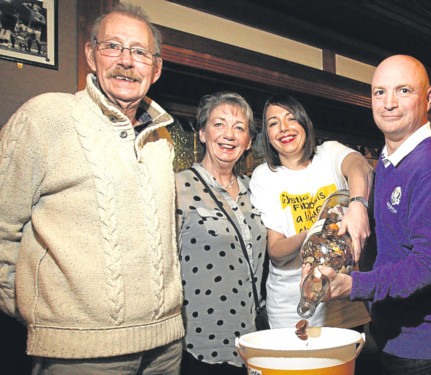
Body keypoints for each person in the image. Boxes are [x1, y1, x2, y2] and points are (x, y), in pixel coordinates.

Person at [0, 4, 184, 374]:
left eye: (140, 52)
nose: (127, 61)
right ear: (90, 54)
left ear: (157, 67)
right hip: (78, 351)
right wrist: (27, 307)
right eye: (112, 46)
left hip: (166, 347)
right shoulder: (45, 117)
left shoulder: (162, 139)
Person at [317, 55, 431, 375]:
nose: (389, 103)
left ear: (428, 99)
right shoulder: (389, 160)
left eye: (403, 91)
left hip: (430, 350)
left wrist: (352, 285)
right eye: (379, 92)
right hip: (395, 338)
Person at [249, 94, 373, 329]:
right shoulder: (264, 176)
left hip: (343, 305)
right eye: (273, 123)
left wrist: (357, 205)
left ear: (305, 123)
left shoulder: (328, 154)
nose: (284, 128)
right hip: (291, 308)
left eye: (291, 118)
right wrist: (315, 233)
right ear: (267, 134)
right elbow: (275, 251)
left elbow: (360, 166)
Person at [176, 92, 267, 375]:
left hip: (253, 339)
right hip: (200, 344)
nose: (229, 135)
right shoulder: (178, 187)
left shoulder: (257, 190)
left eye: (239, 127)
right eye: (219, 124)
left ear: (249, 141)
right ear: (202, 133)